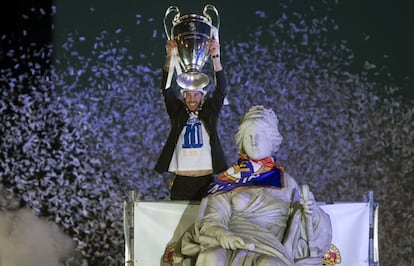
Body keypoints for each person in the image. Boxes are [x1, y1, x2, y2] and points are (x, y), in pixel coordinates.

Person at [172, 106, 332, 265]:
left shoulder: (287, 183)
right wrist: (224, 236)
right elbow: (211, 220)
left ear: (272, 141)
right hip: (229, 242)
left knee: (268, 263)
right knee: (211, 256)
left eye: (260, 136)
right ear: (241, 141)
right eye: (248, 136)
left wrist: (312, 212)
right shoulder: (228, 179)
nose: (254, 142)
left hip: (269, 248)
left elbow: (306, 228)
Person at [154, 38, 228, 201]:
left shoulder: (210, 112)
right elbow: (166, 89)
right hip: (181, 180)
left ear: (202, 97)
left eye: (196, 94)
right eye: (188, 95)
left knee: (206, 225)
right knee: (180, 225)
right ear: (183, 97)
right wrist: (170, 58)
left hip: (206, 180)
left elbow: (221, 89)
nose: (192, 99)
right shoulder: (177, 113)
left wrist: (216, 57)